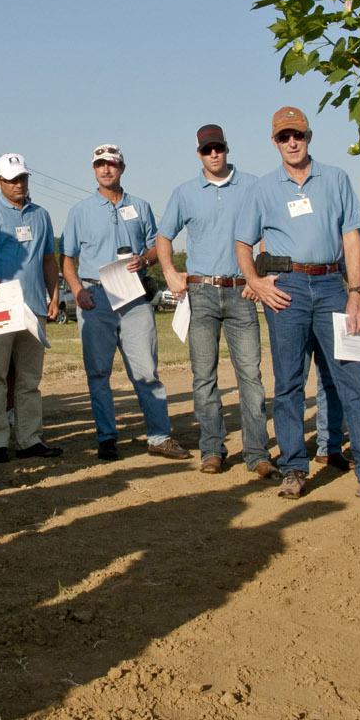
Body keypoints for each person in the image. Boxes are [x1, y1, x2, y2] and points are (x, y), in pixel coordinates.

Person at [234, 107, 360, 502]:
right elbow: (243, 243)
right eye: (283, 137)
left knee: (354, 379)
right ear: (274, 141)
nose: (292, 142)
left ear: (309, 136)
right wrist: (256, 282)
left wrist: (356, 293)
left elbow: (351, 239)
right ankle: (293, 469)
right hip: (286, 290)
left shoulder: (337, 179)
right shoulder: (263, 188)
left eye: (299, 135)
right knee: (289, 383)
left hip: (331, 287)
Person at [155, 124, 271, 476]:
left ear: (227, 148)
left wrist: (258, 277)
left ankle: (257, 453)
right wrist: (171, 274)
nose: (214, 154)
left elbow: (266, 236)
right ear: (199, 154)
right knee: (203, 376)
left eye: (218, 147)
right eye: (207, 150)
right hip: (201, 293)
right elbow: (164, 237)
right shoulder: (185, 193)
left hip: (241, 292)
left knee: (250, 374)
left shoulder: (253, 186)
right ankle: (212, 449)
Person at [61, 143, 183, 462]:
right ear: (94, 169)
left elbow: (158, 245)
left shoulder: (140, 207)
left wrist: (144, 259)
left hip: (133, 295)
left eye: (111, 164)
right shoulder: (80, 211)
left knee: (146, 369)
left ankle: (159, 437)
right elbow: (68, 259)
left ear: (122, 168)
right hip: (96, 295)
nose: (106, 169)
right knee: (98, 372)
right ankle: (107, 437)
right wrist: (76, 290)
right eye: (100, 164)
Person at [0, 152, 63, 464]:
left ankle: (29, 439)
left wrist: (54, 294)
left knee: (29, 379)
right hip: (0, 305)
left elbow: (48, 258)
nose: (18, 184)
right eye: (11, 180)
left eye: (22, 178)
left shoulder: (41, 215)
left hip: (34, 304)